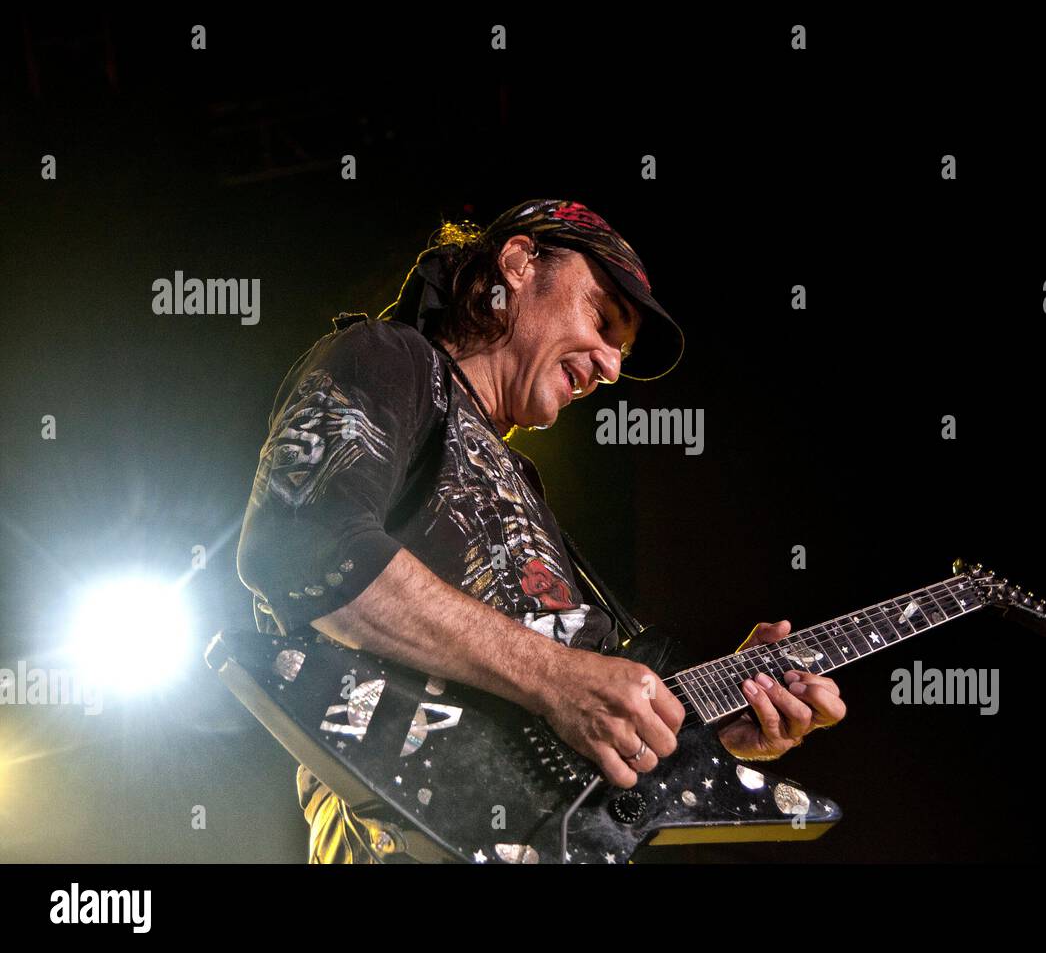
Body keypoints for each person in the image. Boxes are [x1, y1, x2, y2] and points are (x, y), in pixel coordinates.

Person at [235, 198, 847, 862]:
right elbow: (300, 546)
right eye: (603, 320)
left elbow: (556, 752)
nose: (612, 367)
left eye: (622, 349)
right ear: (519, 264)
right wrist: (558, 677)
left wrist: (707, 737)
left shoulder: (523, 483)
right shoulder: (390, 358)